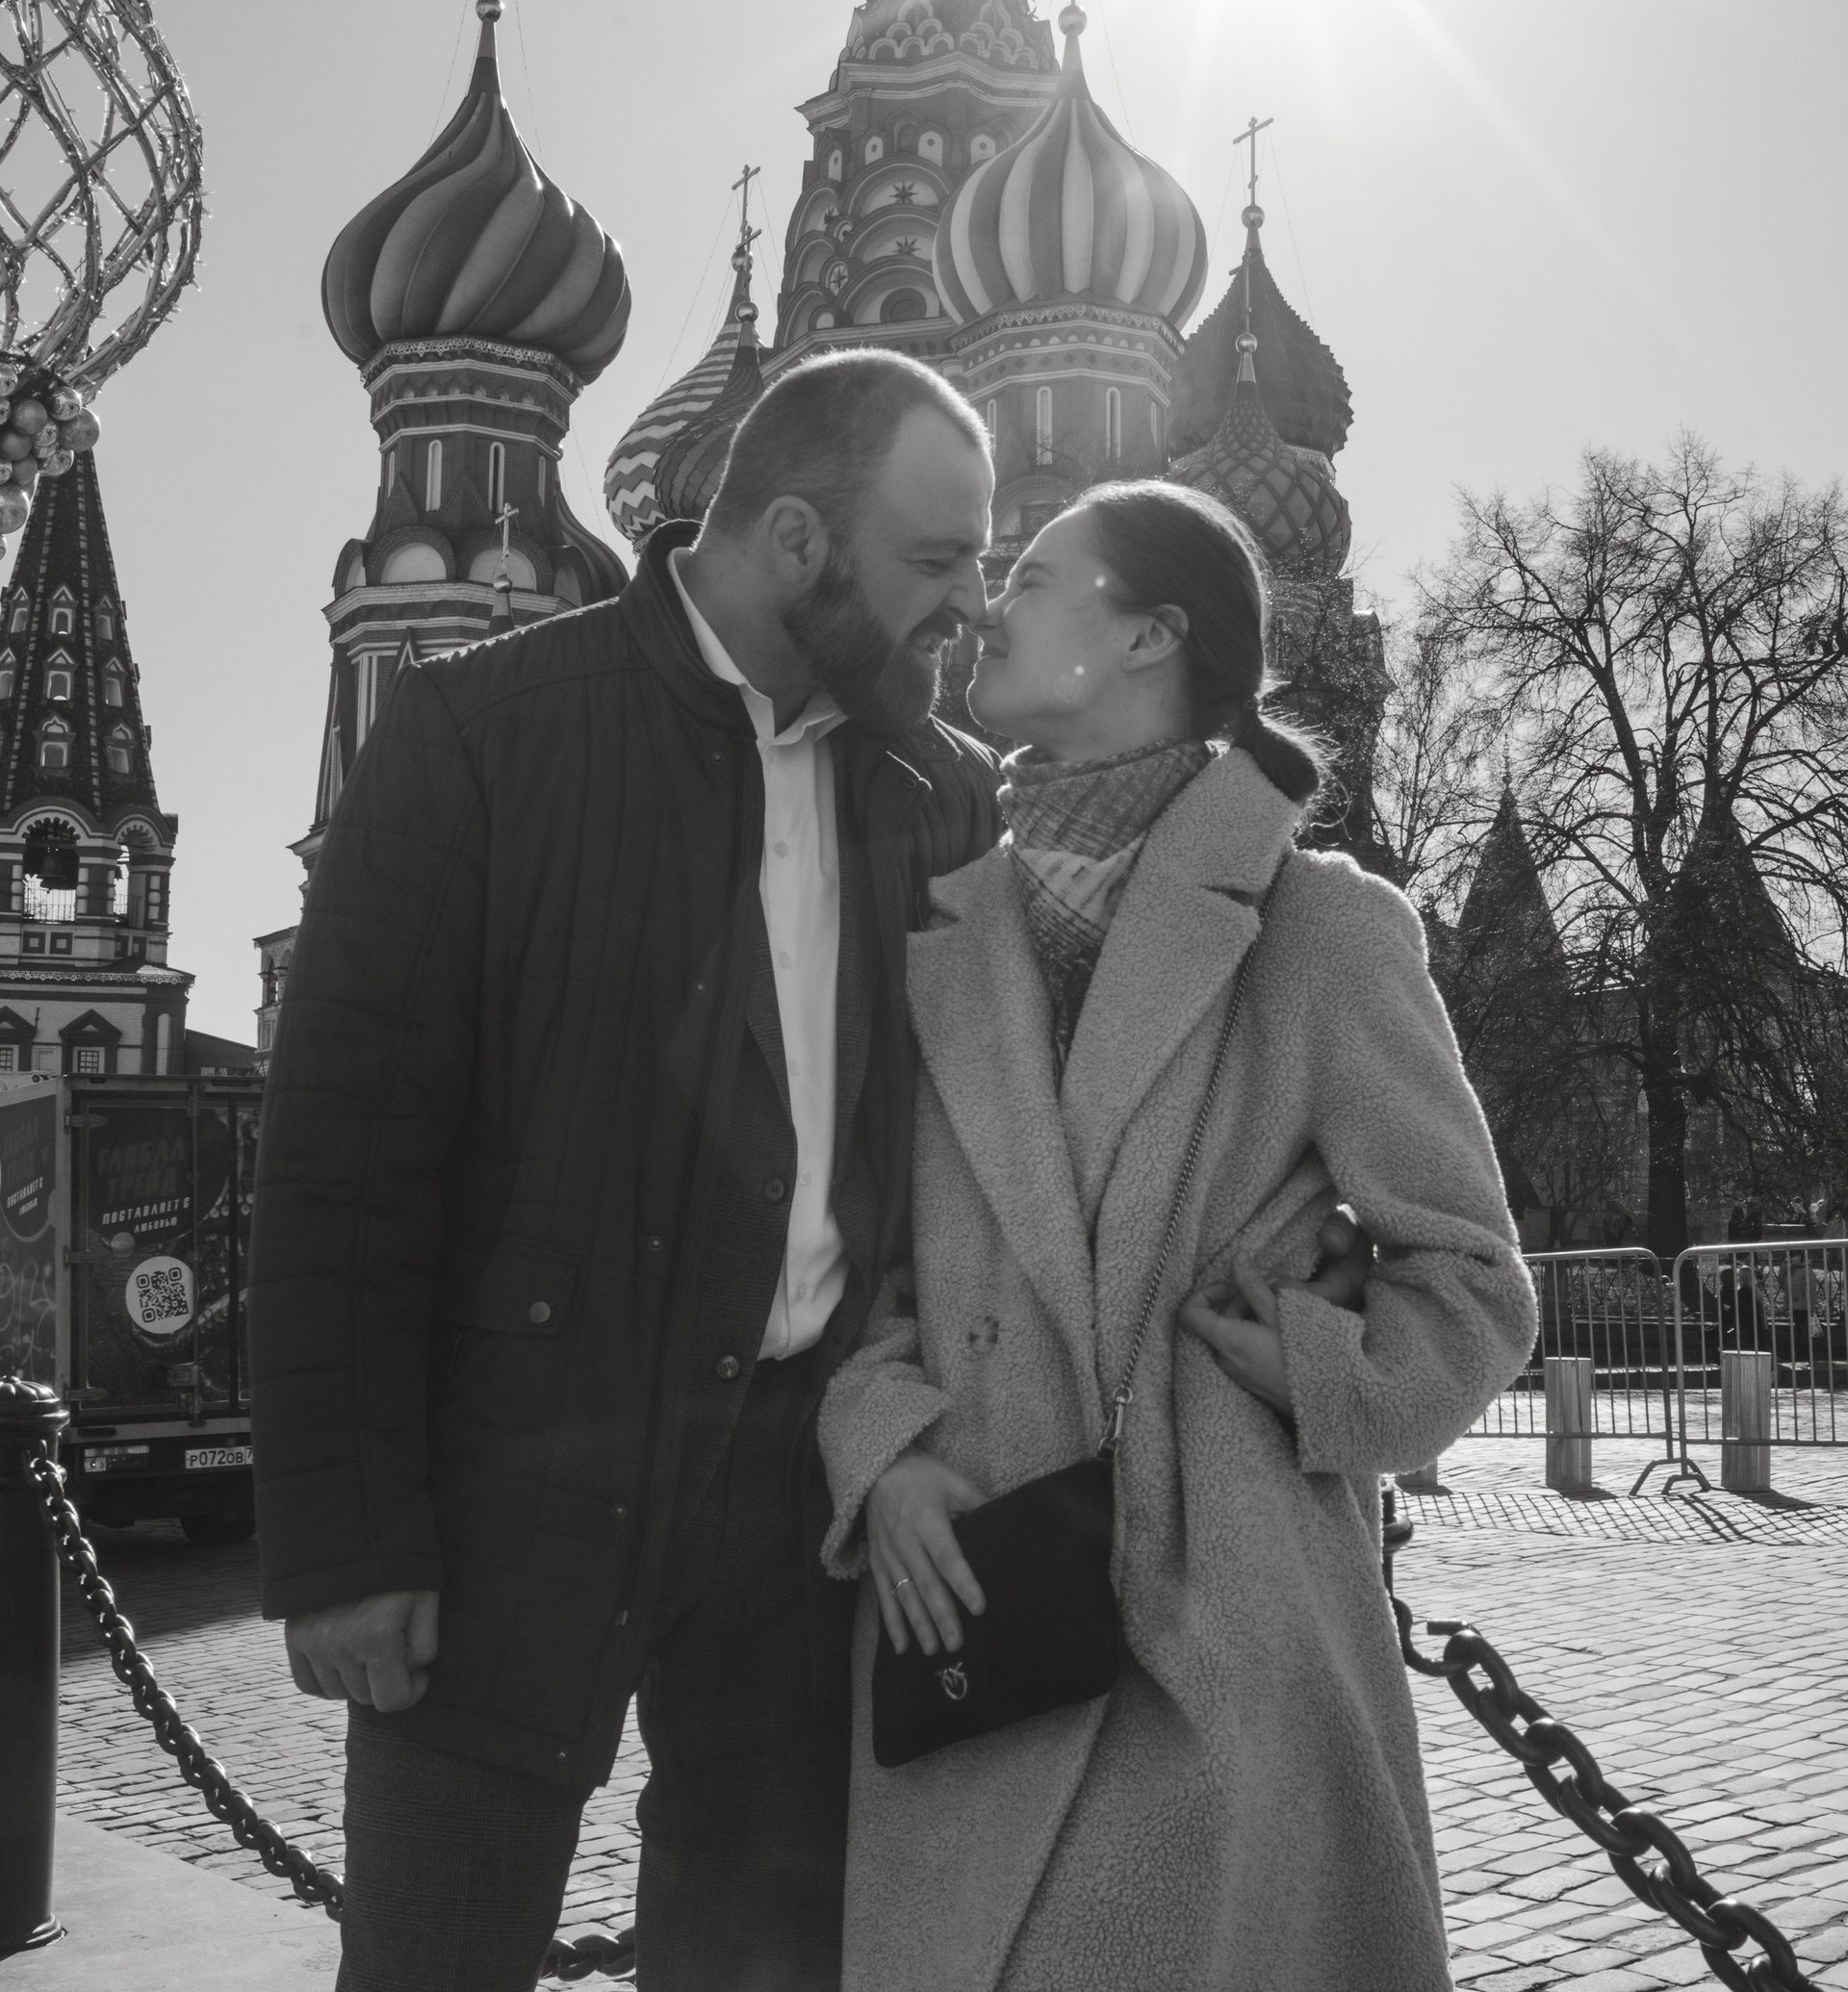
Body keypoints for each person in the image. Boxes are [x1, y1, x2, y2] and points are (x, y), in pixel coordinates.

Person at [248, 350, 1005, 1992]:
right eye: (937, 560)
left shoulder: (939, 794)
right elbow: (346, 1169)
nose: (970, 607)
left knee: (766, 1969)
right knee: (439, 1962)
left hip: (804, 1503)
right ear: (795, 541)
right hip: (512, 1488)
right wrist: (350, 1543)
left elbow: (1009, 1135)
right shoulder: (484, 735)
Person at [818, 480, 1539, 1992]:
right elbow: (874, 1271)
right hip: (983, 1621)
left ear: (1151, 634)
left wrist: (1304, 1364)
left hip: (1225, 1639)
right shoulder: (936, 931)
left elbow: (1473, 1285)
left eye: (1036, 577)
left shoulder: (1320, 927)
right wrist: (885, 1454)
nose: (989, 605)